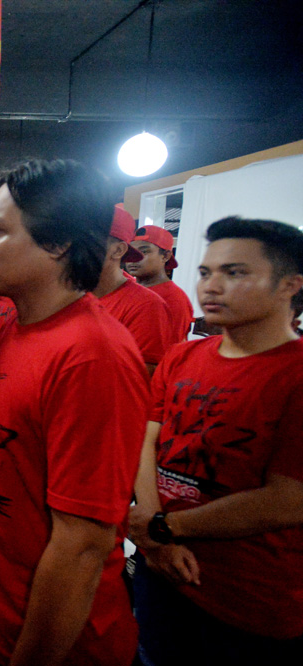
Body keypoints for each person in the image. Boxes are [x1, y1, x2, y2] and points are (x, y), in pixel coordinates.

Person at [0, 159, 147, 666]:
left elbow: (81, 546)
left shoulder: (92, 356)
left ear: (58, 244)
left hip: (51, 645)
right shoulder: (13, 322)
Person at [128, 217, 303, 665]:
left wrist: (164, 529)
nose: (211, 286)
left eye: (235, 272)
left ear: (290, 285)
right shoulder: (184, 355)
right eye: (206, 273)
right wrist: (153, 531)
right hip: (160, 569)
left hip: (247, 597)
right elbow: (147, 439)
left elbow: (287, 499)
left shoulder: (294, 374)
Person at [93, 205, 172, 374]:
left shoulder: (146, 305)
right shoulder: (66, 295)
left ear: (118, 250)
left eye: (88, 242)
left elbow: (143, 375)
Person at [126, 225, 194, 343]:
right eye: (132, 253)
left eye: (144, 251)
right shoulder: (127, 291)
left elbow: (170, 352)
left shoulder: (173, 299)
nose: (134, 258)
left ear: (166, 256)